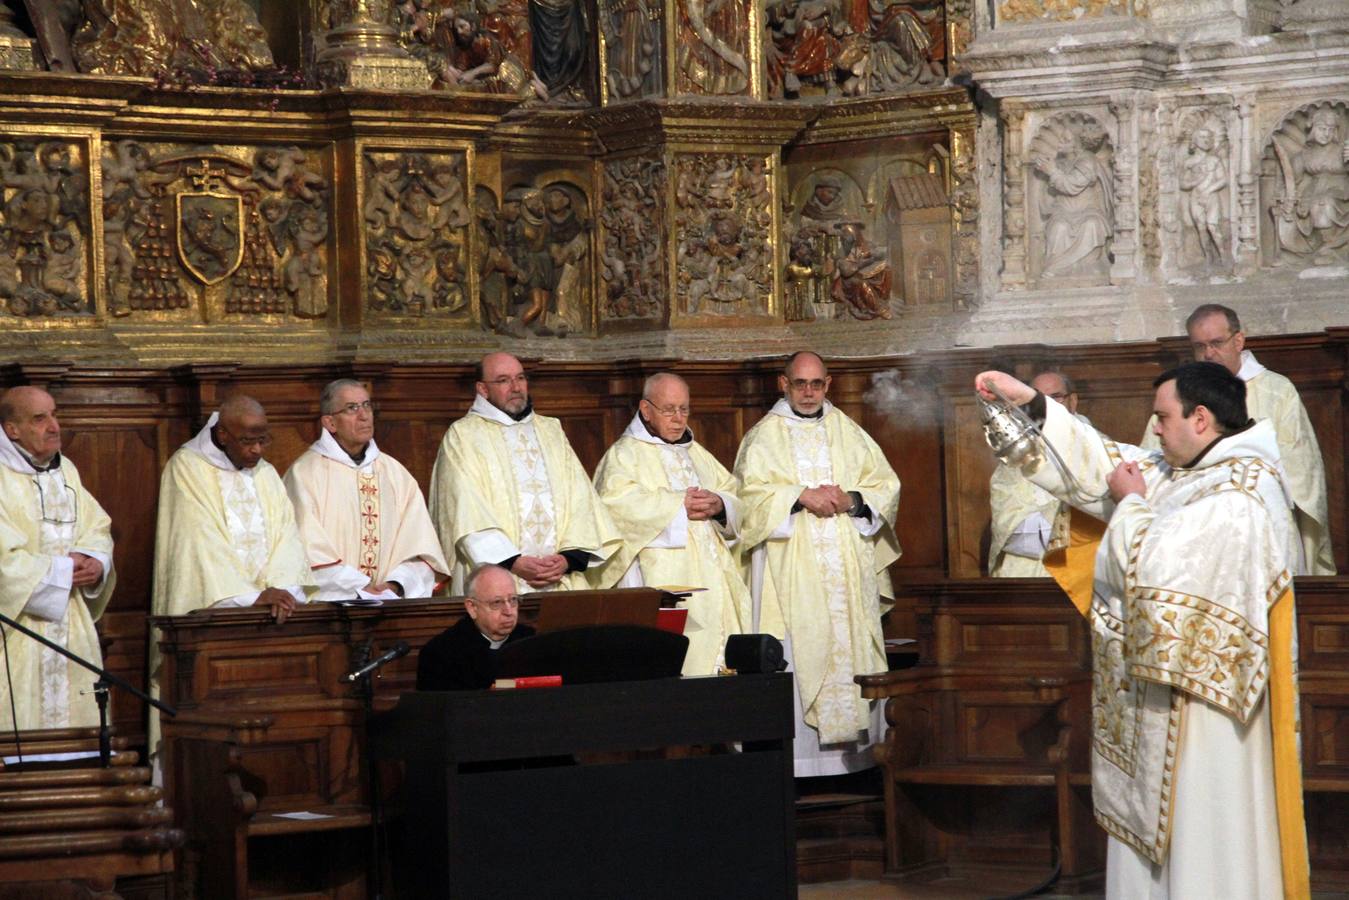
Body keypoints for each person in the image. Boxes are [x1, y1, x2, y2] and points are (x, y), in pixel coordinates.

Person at [976, 362, 1309, 900]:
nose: (1152, 429)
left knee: (1203, 844)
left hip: (1208, 714)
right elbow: (1100, 461)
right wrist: (1032, 408)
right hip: (1161, 699)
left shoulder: (1245, 488)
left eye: (1161, 416)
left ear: (1200, 418)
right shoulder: (1184, 470)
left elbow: (1159, 571)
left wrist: (1129, 505)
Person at [733, 351, 901, 776]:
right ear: (782, 384)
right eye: (799, 384)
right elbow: (746, 503)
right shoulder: (762, 437)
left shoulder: (849, 431)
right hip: (790, 573)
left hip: (846, 573)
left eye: (816, 384)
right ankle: (802, 765)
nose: (808, 392)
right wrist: (797, 495)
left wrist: (854, 500)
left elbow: (886, 485)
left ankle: (855, 763)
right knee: (797, 648)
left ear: (829, 383)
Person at [151, 396, 314, 753]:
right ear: (223, 434)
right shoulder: (187, 468)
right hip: (217, 617)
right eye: (247, 440)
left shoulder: (266, 473)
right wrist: (249, 596)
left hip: (271, 618)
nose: (257, 450)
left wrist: (281, 590)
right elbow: (197, 542)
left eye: (263, 440)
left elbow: (286, 535)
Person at [1140, 304, 1333, 574]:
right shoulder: (1176, 396)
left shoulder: (1277, 391)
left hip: (1260, 526)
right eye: (1199, 346)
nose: (1208, 354)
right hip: (1195, 529)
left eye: (1217, 343)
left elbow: (1301, 468)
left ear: (1239, 340)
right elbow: (1153, 461)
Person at [591, 372, 749, 675]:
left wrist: (719, 505)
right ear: (646, 410)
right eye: (669, 409)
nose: (678, 419)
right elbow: (614, 508)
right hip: (660, 578)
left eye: (684, 409)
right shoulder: (624, 455)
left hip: (712, 581)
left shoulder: (696, 453)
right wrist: (678, 504)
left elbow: (733, 493)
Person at [429, 352, 621, 594]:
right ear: (482, 389)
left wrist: (567, 559)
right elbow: (465, 512)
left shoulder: (550, 430)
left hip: (559, 581)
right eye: (503, 380)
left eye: (520, 378)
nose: (516, 387)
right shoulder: (463, 436)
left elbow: (580, 500)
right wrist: (513, 562)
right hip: (495, 582)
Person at [0, 386, 115, 729]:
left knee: (78, 740)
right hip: (17, 631)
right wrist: (65, 571)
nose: (54, 426)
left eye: (54, 414)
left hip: (72, 626)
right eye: (39, 418)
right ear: (12, 430)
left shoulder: (66, 472)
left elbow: (97, 526)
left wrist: (96, 561)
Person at [283, 379, 449, 603]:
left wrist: (395, 584)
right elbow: (305, 553)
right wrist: (359, 588)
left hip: (390, 607)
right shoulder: (305, 475)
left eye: (367, 405)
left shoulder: (395, 474)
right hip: (329, 610)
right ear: (330, 422)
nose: (364, 415)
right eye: (352, 408)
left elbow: (419, 547)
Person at [988, 370, 1089, 577]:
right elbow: (1011, 532)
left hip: (1088, 573)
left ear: (1073, 400)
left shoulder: (1100, 450)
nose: (1047, 405)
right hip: (1031, 579)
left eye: (1056, 397)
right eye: (1038, 398)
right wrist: (1071, 521)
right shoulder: (1014, 460)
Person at [416, 563, 535, 691]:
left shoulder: (532, 641)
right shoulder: (441, 653)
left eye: (513, 600)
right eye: (497, 602)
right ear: (472, 608)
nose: (509, 611)